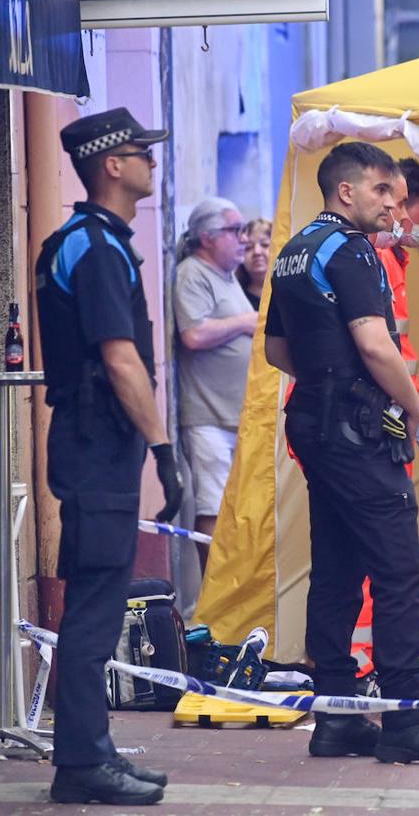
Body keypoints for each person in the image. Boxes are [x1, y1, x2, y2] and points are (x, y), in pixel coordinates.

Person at [263, 140, 419, 765]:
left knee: (335, 567)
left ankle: (336, 717)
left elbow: (278, 352)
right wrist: (412, 408)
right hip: (359, 428)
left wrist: (327, 376)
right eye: (383, 192)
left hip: (314, 423)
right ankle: (408, 721)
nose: (396, 204)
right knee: (400, 568)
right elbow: (377, 344)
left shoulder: (297, 249)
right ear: (347, 192)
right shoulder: (353, 250)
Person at [34, 107, 183, 805]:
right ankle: (81, 765)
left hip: (97, 446)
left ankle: (90, 752)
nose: (152, 162)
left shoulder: (100, 242)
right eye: (140, 153)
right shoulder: (92, 246)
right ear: (111, 165)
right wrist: (163, 448)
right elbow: (120, 360)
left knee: (99, 600)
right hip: (98, 446)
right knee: (94, 609)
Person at [349, 158, 419, 687]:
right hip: (376, 424)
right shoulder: (373, 259)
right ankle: (368, 665)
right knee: (384, 553)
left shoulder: (388, 260)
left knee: (375, 552)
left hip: (382, 421)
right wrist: (416, 412)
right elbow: (380, 350)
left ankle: (365, 662)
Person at [172, 198, 257, 571]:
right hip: (208, 418)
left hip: (233, 415)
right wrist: (244, 322)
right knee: (213, 506)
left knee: (234, 508)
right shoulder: (193, 273)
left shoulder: (225, 276)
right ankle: (214, 592)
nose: (244, 238)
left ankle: (232, 589)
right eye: (235, 230)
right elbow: (193, 334)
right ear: (207, 237)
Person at [237, 217, 272, 309]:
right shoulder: (235, 297)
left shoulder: (289, 294)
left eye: (265, 245)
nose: (257, 252)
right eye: (248, 247)